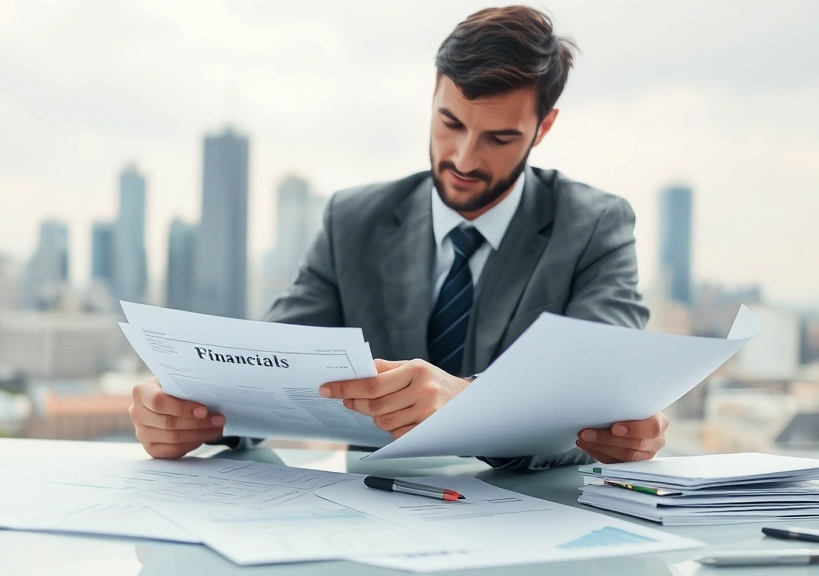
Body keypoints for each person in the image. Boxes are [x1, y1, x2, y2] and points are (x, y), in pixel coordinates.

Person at [129, 5, 668, 469]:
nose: (464, 159)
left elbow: (602, 386)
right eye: (450, 123)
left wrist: (469, 401)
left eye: (499, 138)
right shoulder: (353, 220)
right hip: (373, 511)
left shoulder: (594, 225)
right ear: (433, 95)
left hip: (534, 516)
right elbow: (274, 364)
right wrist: (191, 408)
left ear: (543, 128)